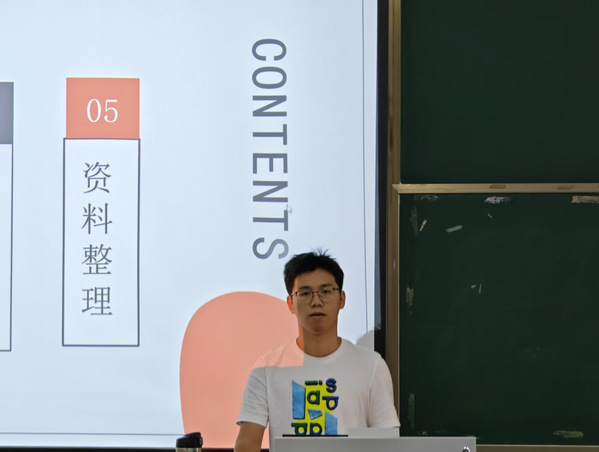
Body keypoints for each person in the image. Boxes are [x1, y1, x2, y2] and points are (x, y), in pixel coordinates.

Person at [234, 251, 399, 452]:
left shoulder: (371, 365)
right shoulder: (266, 368)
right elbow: (247, 443)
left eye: (326, 291)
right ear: (290, 303)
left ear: (342, 299)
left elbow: (386, 444)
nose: (316, 301)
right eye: (305, 293)